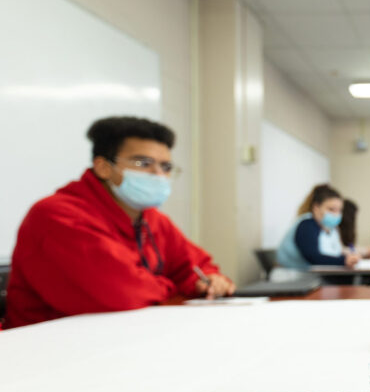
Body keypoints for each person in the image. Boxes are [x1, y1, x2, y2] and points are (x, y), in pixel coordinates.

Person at [4, 117, 233, 328]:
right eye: (143, 163)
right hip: (45, 350)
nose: (158, 175)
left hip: (122, 337)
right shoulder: (57, 216)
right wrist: (175, 286)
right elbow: (123, 293)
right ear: (104, 167)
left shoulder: (151, 218)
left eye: (166, 167)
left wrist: (209, 281)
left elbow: (195, 266)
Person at [276, 184, 360, 269]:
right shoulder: (307, 225)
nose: (336, 214)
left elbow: (337, 252)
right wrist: (343, 261)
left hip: (318, 275)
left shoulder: (330, 229)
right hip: (295, 276)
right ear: (316, 208)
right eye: (331, 209)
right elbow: (313, 257)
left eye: (339, 210)